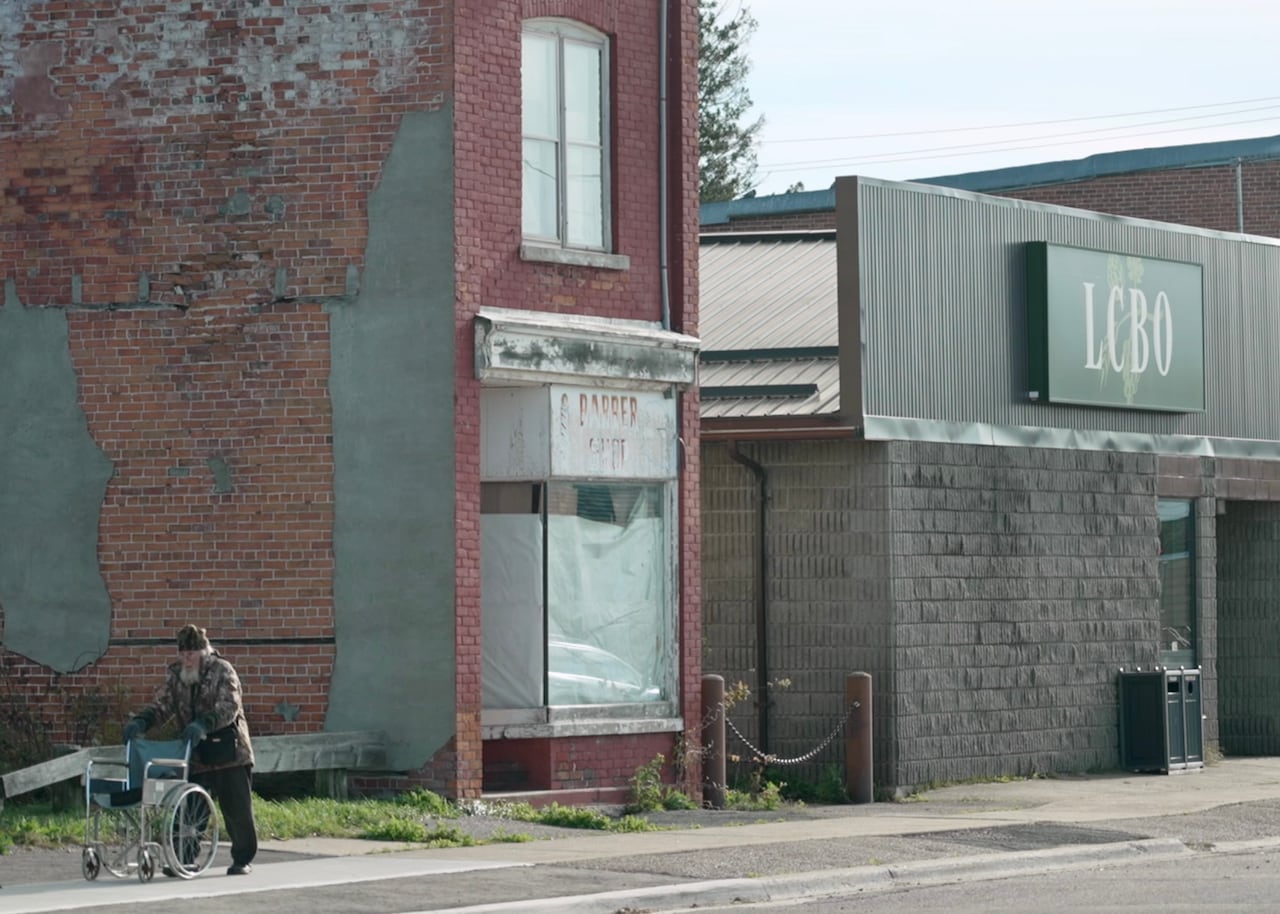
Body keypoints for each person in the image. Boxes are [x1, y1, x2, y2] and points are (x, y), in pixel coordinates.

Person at [123, 624, 258, 876]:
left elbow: (229, 707)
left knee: (237, 810)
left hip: (229, 752)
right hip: (196, 754)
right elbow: (163, 705)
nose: (186, 659)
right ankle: (183, 859)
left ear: (203, 652)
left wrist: (204, 723)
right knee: (187, 810)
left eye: (191, 654)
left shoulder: (222, 670)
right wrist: (142, 721)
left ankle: (242, 859)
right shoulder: (177, 676)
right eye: (182, 654)